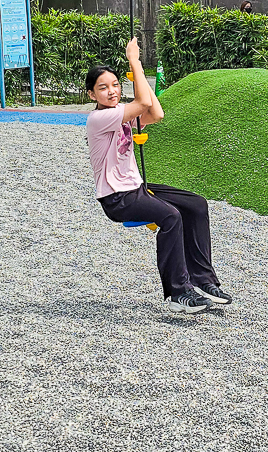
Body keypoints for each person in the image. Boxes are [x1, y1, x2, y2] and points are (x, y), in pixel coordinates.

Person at [85, 37, 232, 315]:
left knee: (196, 204)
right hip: (117, 197)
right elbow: (142, 102)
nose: (112, 91)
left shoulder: (119, 112)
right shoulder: (98, 119)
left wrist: (136, 70)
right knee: (171, 216)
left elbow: (156, 112)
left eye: (115, 85)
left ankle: (203, 281)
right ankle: (179, 293)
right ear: (92, 95)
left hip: (137, 187)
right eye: (103, 88)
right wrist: (135, 62)